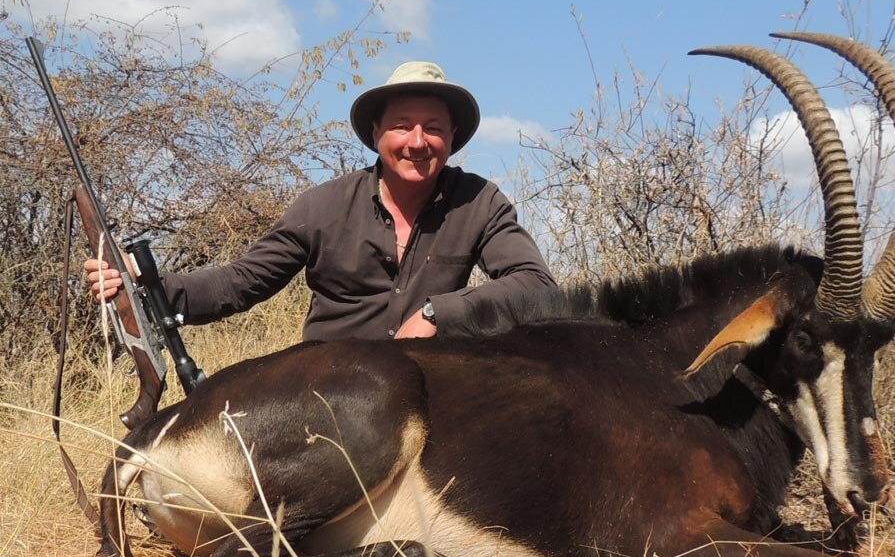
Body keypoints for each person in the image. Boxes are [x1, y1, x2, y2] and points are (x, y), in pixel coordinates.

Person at [85, 61, 556, 341]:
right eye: (402, 125)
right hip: (325, 389)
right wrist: (143, 279)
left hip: (428, 384)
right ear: (376, 135)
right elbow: (240, 283)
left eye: (433, 127)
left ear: (452, 137)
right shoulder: (322, 206)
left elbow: (535, 285)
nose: (417, 141)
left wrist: (439, 312)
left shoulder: (480, 201)